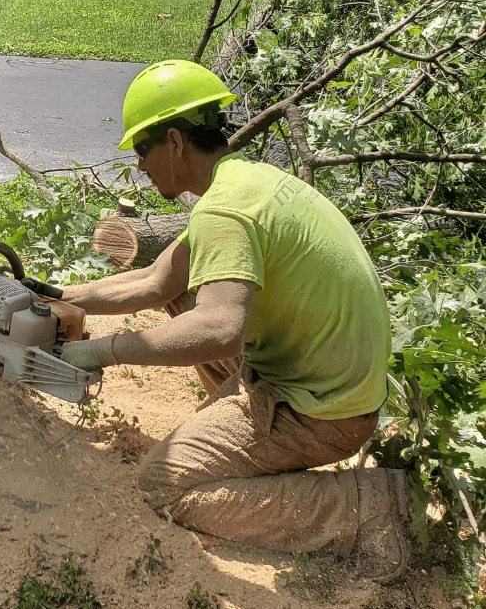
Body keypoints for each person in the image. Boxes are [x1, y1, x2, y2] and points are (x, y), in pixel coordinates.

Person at [56, 60, 409, 580]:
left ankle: (366, 508)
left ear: (174, 142)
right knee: (181, 298)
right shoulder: (249, 181)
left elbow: (219, 330)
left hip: (323, 408)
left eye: (142, 151)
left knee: (162, 483)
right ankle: (238, 430)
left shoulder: (225, 210)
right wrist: (57, 295)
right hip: (335, 376)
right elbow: (157, 281)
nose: (140, 167)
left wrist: (99, 351)